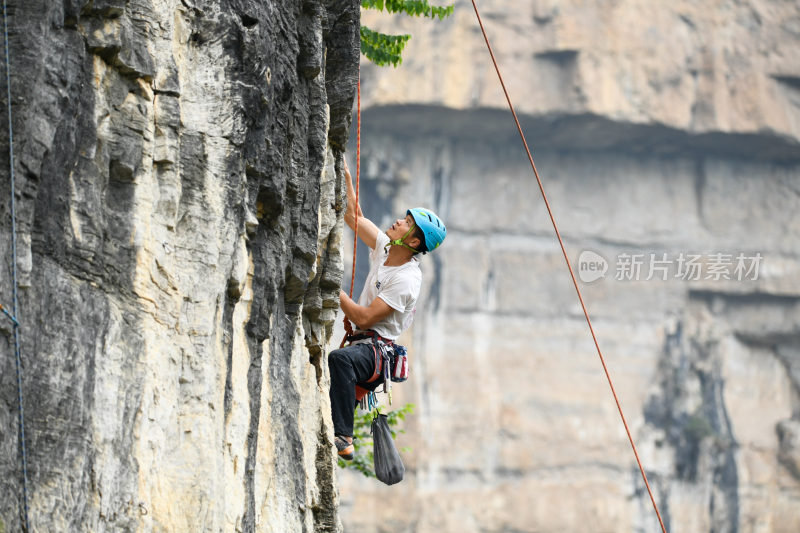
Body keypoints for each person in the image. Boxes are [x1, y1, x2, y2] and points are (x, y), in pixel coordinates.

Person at [329, 158, 446, 460]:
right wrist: (345, 176)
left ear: (414, 240)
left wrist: (329, 283)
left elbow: (364, 317)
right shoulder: (386, 248)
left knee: (340, 360)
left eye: (407, 223)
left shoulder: (406, 279)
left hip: (376, 352)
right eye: (404, 217)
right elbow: (354, 216)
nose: (398, 221)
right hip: (364, 344)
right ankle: (335, 430)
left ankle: (344, 435)